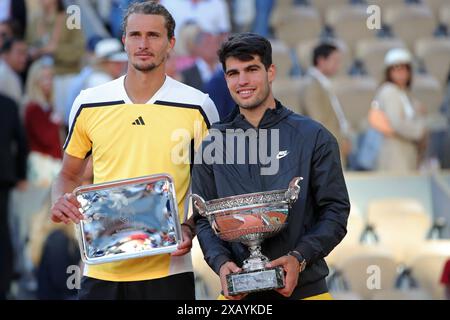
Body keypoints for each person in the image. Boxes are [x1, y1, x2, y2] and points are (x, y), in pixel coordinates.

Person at [50, 1, 219, 300]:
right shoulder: (89, 102)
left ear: (171, 43)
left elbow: (215, 188)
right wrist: (60, 200)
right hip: (100, 269)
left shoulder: (198, 106)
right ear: (124, 40)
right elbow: (68, 175)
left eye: (153, 35)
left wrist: (190, 227)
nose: (143, 44)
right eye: (135, 34)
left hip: (168, 271)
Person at [192, 33, 350, 300]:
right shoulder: (211, 144)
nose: (242, 81)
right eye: (233, 73)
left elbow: (335, 211)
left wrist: (299, 258)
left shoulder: (313, 136)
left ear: (271, 71)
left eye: (251, 69)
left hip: (306, 291)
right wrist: (220, 262)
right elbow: (203, 218)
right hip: (238, 296)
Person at [372, 48, 427, 172]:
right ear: (389, 72)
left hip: (407, 152)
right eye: (396, 69)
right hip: (395, 153)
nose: (401, 73)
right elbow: (397, 123)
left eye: (404, 68)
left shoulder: (405, 93)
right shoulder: (389, 91)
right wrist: (420, 131)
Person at [299, 42, 352, 168]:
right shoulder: (312, 85)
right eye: (335, 60)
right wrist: (339, 142)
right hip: (326, 150)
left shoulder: (321, 83)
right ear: (321, 61)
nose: (338, 65)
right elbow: (319, 122)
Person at [0, 93, 28, 299]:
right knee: (3, 230)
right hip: (4, 177)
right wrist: (20, 174)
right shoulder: (8, 104)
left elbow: (21, 141)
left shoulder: (9, 104)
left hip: (4, 178)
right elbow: (22, 142)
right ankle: (4, 283)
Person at [24, 57, 63, 187]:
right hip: (42, 164)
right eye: (44, 78)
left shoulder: (48, 106)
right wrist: (56, 122)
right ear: (35, 81)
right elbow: (46, 139)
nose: (48, 82)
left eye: (50, 78)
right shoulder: (33, 108)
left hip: (52, 162)